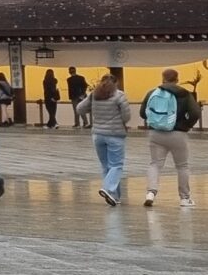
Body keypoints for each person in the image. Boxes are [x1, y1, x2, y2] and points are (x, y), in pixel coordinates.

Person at [139, 69, 200, 207]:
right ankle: (184, 199)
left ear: (163, 78)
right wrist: (185, 125)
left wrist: (156, 121)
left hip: (156, 134)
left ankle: (150, 193)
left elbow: (143, 113)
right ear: (177, 79)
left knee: (155, 164)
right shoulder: (184, 94)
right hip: (178, 134)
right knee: (182, 166)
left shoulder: (152, 93)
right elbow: (195, 113)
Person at [78, 72, 129, 206]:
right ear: (116, 83)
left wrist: (92, 107)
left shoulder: (95, 94)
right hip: (115, 134)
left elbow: (80, 109)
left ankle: (114, 196)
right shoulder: (120, 95)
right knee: (116, 165)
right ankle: (107, 188)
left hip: (98, 135)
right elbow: (126, 117)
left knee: (106, 166)